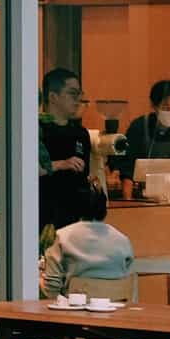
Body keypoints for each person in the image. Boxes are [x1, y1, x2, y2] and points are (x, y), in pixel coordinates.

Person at [38, 181, 136, 296]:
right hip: (115, 308)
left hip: (73, 310)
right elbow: (127, 275)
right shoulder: (123, 240)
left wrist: (38, 278)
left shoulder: (63, 236)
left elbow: (51, 288)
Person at [36, 67, 100, 232]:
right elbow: (22, 174)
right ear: (53, 96)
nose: (78, 100)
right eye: (72, 94)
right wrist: (59, 165)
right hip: (41, 214)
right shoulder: (37, 129)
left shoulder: (80, 133)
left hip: (74, 220)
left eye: (80, 94)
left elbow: (83, 176)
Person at [112, 79, 170, 184]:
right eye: (166, 107)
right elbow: (128, 163)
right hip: (141, 185)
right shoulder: (139, 126)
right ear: (154, 106)